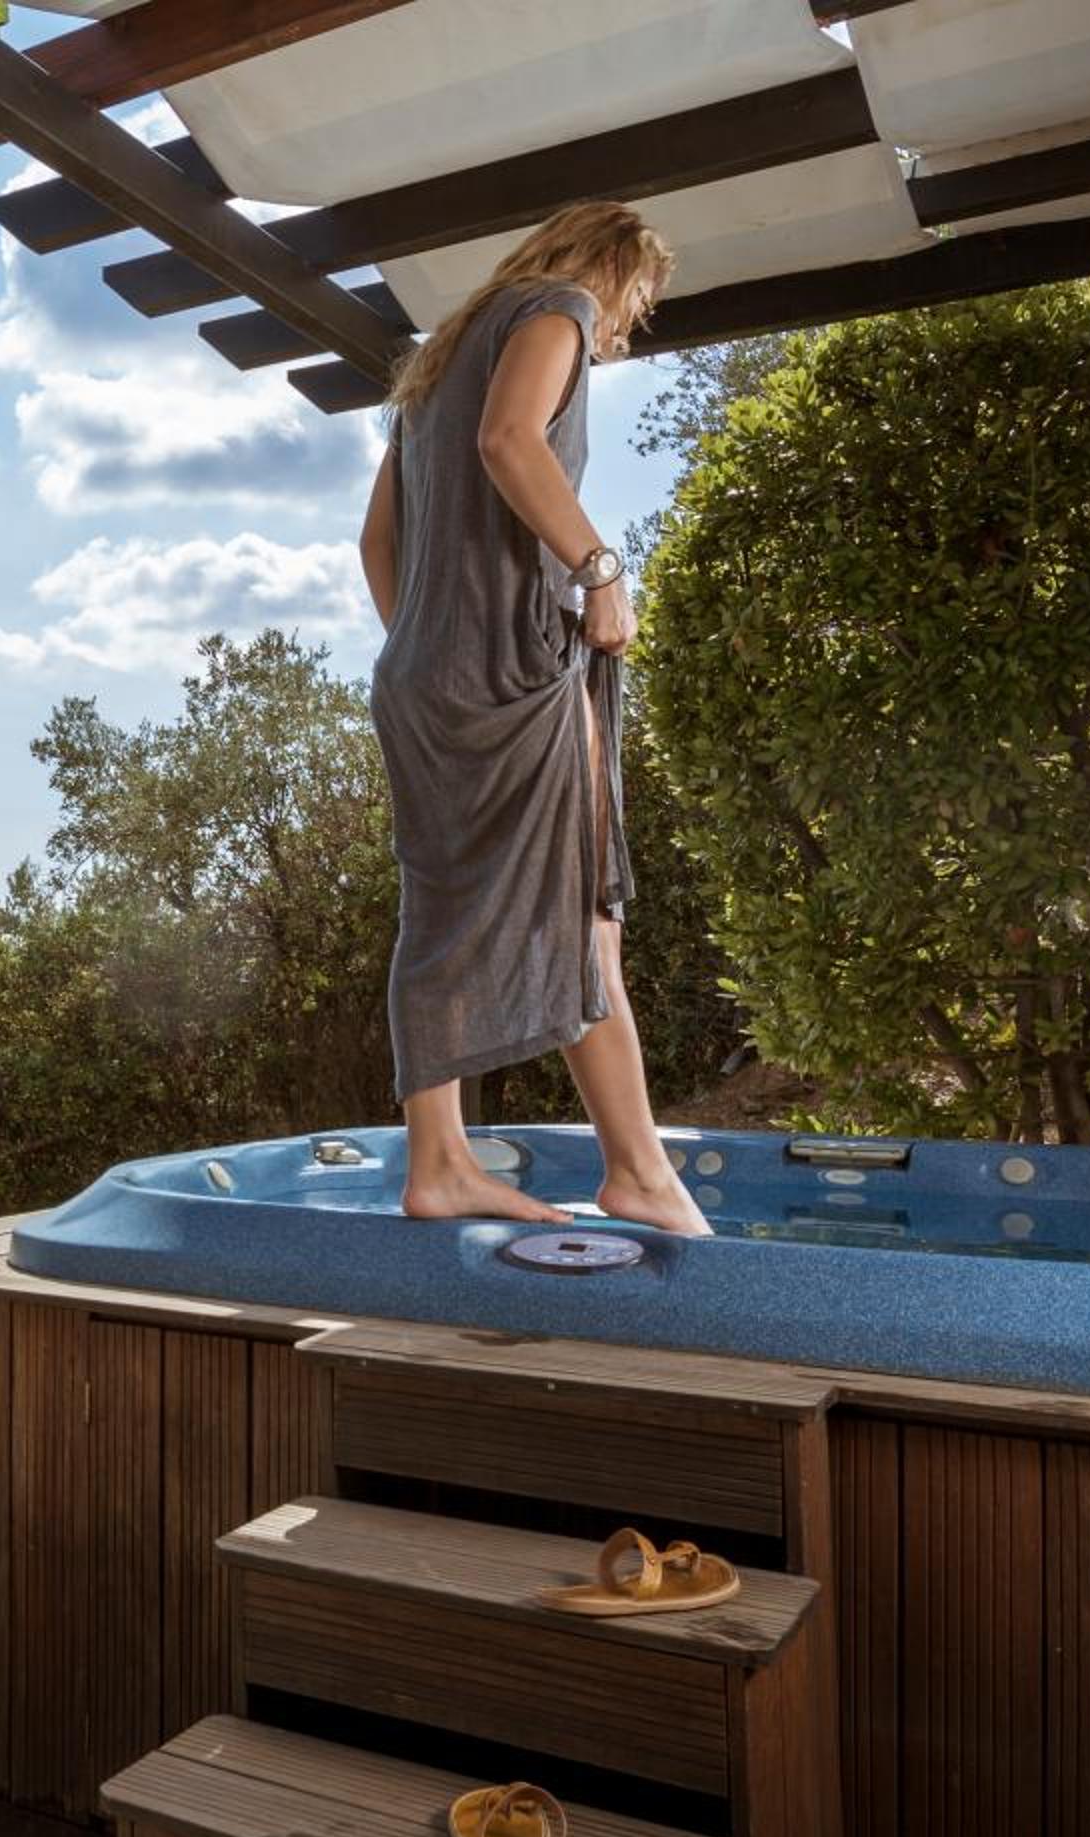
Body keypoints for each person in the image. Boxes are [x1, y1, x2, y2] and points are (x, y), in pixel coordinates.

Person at [357, 201, 707, 1234]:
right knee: (584, 912)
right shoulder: (556, 306)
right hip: (512, 672)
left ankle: (441, 1163)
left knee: (439, 913)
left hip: (420, 678)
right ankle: (639, 1174)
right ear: (613, 266)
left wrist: (433, 643)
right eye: (638, 300)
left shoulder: (435, 364)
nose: (627, 325)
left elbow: (377, 543)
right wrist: (602, 569)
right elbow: (511, 440)